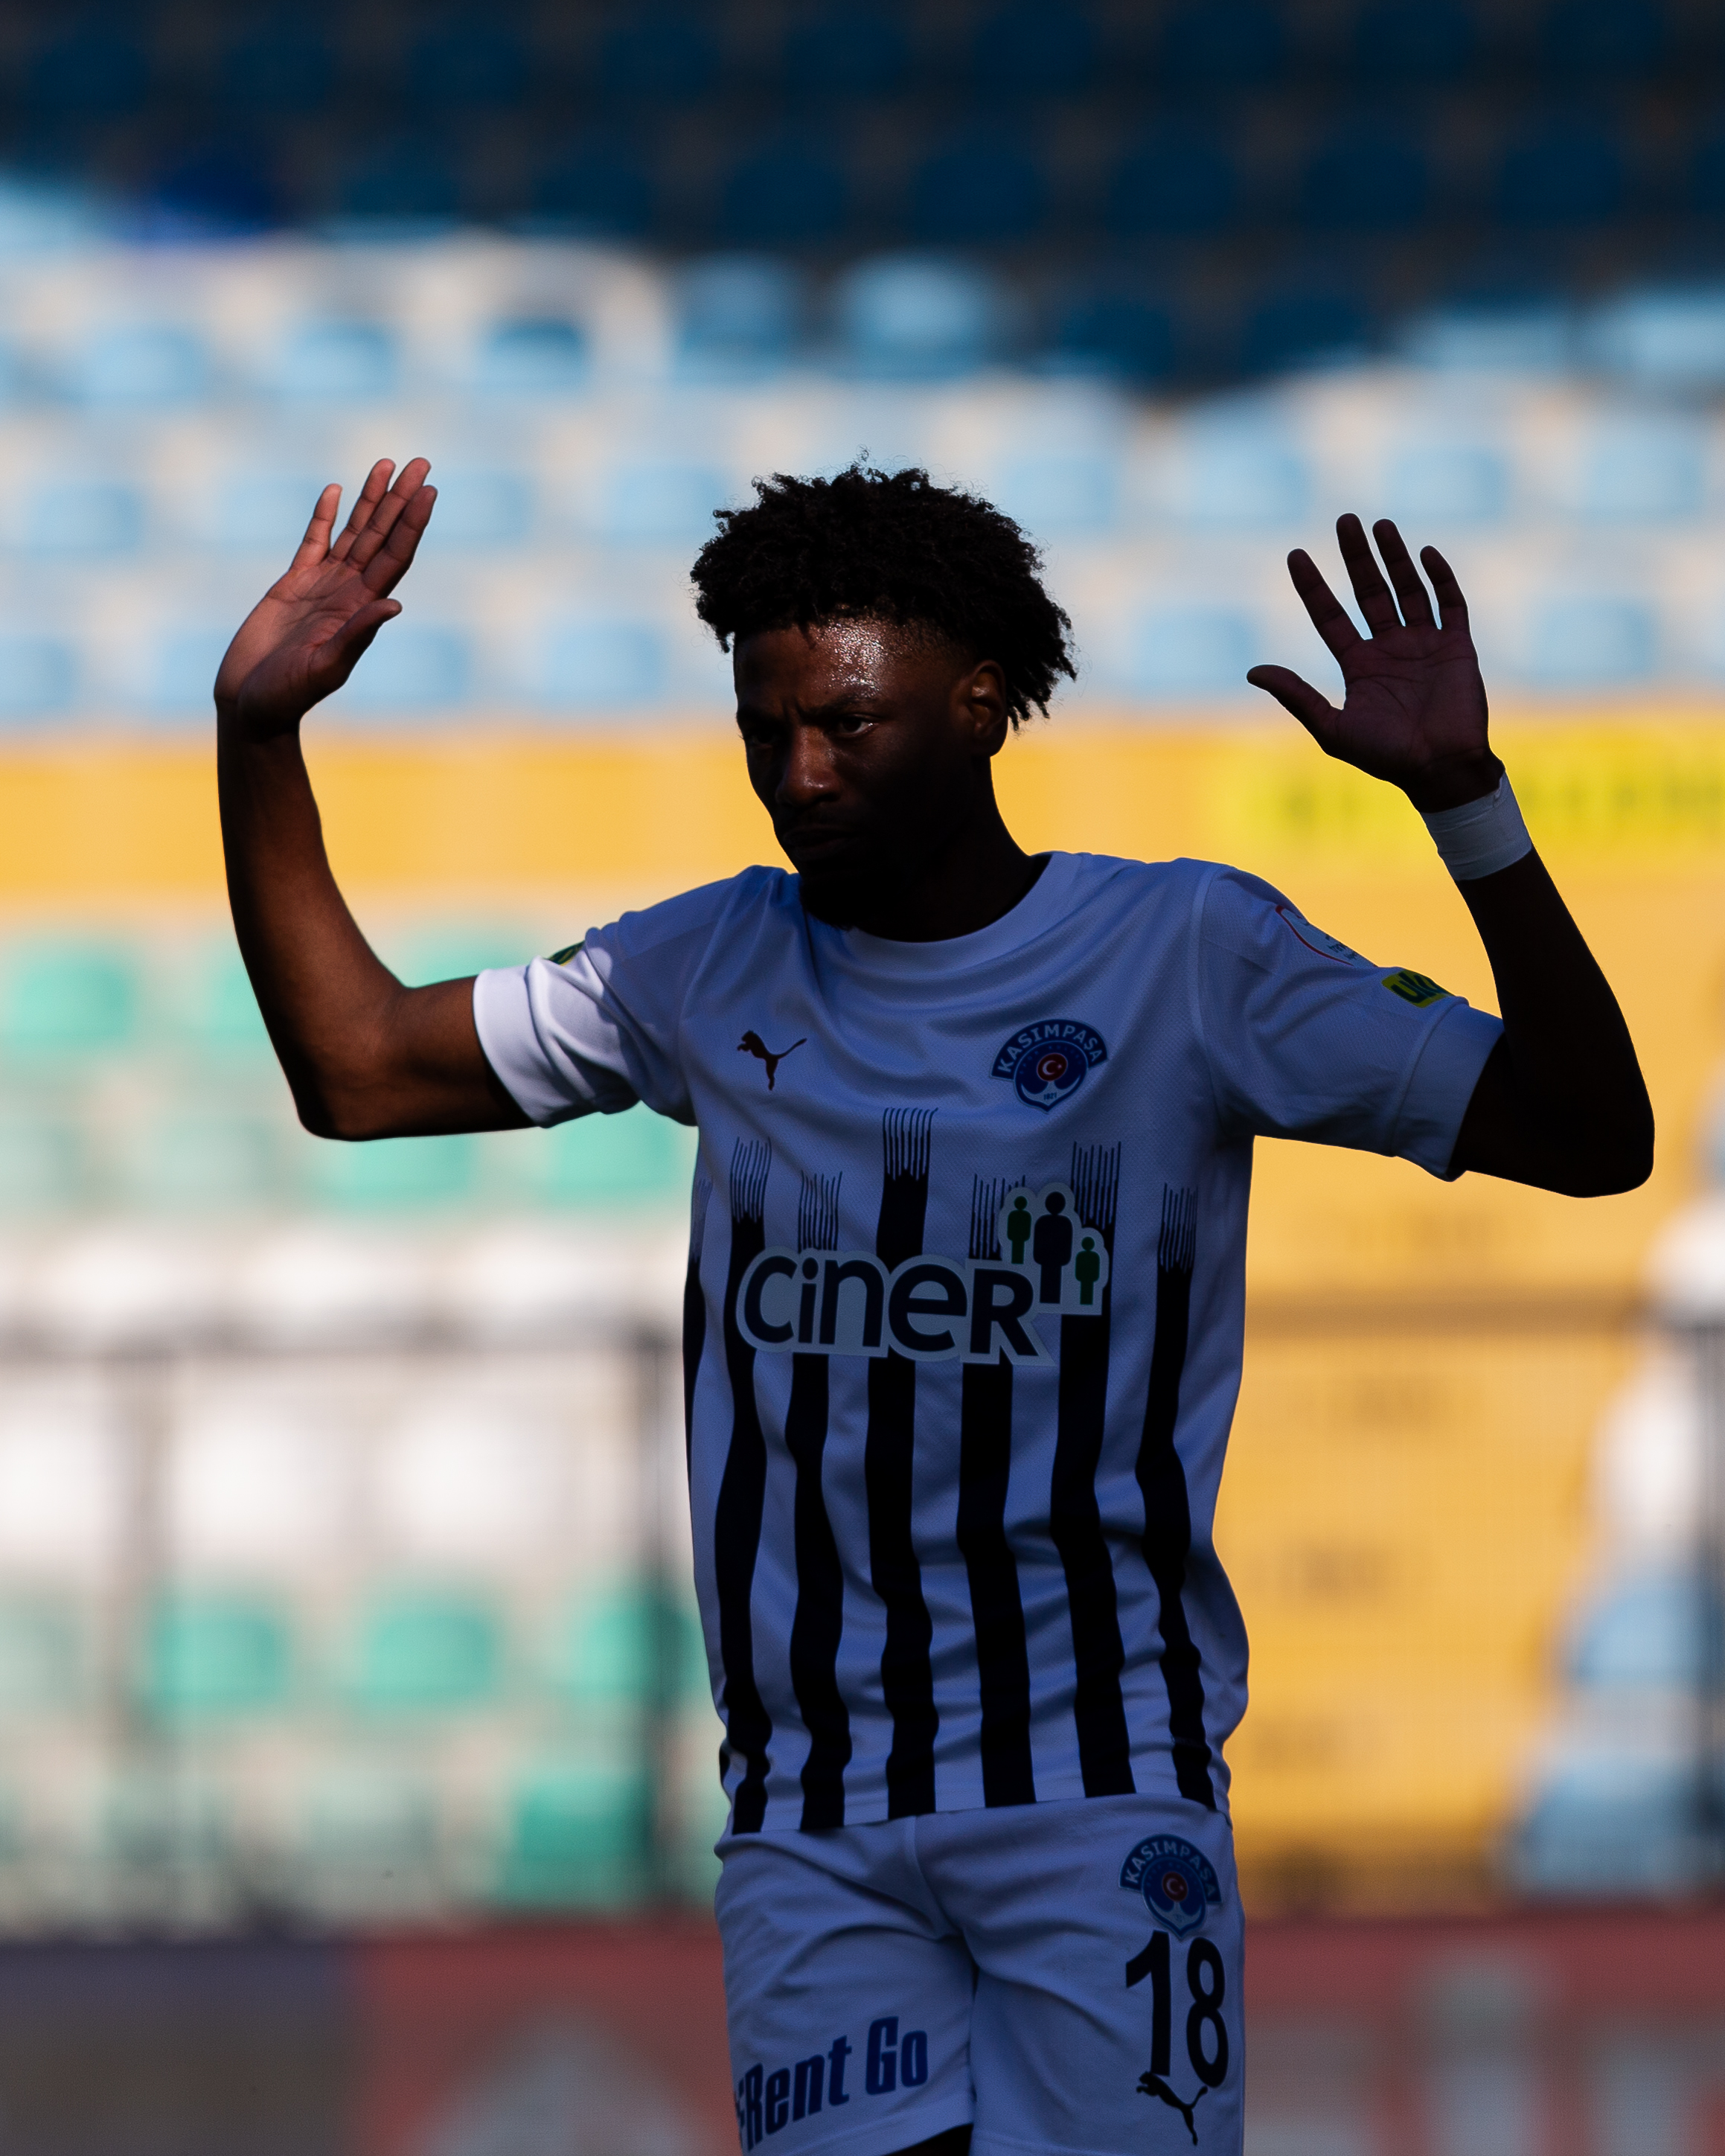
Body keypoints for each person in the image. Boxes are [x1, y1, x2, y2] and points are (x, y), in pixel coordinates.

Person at [214, 457, 1651, 2156]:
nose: (798, 776)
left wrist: (1466, 802)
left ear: (979, 705)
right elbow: (361, 1070)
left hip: (1094, 1790)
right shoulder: (704, 964)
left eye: (846, 725)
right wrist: (258, 732)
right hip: (811, 1815)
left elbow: (1589, 1137)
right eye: (763, 732)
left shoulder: (1188, 952)